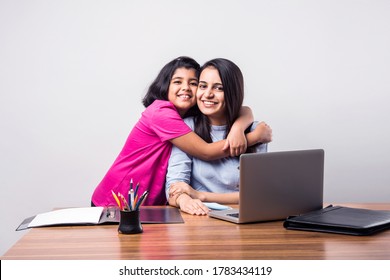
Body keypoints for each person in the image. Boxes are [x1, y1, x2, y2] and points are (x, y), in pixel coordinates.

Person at [91, 56, 268, 207]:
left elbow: (242, 109)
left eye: (193, 83)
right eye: (177, 82)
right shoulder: (160, 113)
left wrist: (239, 126)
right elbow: (206, 151)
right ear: (164, 86)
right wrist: (253, 137)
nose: (186, 88)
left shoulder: (192, 116)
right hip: (116, 199)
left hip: (151, 203)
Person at [166, 58, 272, 215]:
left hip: (242, 216)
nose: (208, 94)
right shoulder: (187, 127)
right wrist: (184, 199)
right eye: (202, 86)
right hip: (199, 217)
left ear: (232, 93)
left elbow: (257, 194)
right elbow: (174, 187)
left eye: (218, 88)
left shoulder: (254, 130)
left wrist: (199, 195)